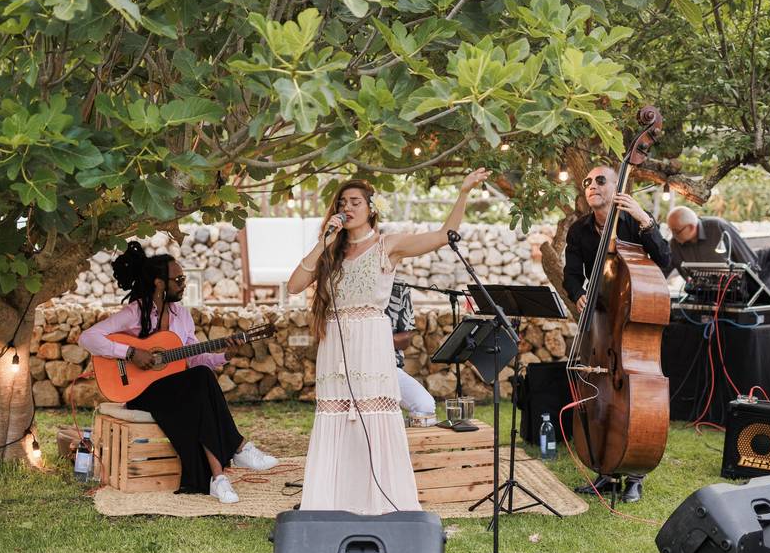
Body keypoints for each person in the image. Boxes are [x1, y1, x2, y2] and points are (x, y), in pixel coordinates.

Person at [287, 169, 489, 514]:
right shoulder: (330, 251)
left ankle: (378, 500)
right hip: (335, 341)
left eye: (354, 202)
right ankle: (331, 500)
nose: (347, 207)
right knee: (337, 416)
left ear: (371, 208)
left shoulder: (388, 245)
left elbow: (444, 235)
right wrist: (323, 243)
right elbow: (294, 286)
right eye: (342, 202)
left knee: (372, 416)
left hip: (370, 340)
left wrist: (464, 192)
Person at [79, 242, 279, 504]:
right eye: (179, 279)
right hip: (140, 390)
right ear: (160, 283)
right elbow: (88, 337)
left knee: (201, 379)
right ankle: (238, 447)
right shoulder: (135, 312)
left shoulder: (182, 316)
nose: (184, 284)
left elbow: (194, 356)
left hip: (174, 389)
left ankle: (218, 478)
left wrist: (226, 355)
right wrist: (130, 353)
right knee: (200, 381)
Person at [562, 165, 671, 503]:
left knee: (633, 394)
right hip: (599, 323)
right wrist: (577, 292)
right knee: (598, 388)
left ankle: (634, 474)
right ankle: (606, 471)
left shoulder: (632, 222)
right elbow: (570, 274)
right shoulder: (578, 230)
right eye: (586, 182)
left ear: (617, 187)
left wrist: (646, 221)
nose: (591, 186)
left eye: (599, 181)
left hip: (630, 323)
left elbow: (665, 261)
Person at [387, 280, 437, 426]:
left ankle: (400, 446)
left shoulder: (398, 286)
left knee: (425, 408)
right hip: (352, 369)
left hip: (389, 367)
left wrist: (376, 339)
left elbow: (405, 339)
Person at [665, 206, 759, 278]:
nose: (673, 235)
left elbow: (749, 262)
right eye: (671, 230)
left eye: (676, 231)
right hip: (701, 297)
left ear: (691, 227)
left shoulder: (718, 228)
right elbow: (661, 272)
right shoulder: (674, 244)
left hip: (735, 295)